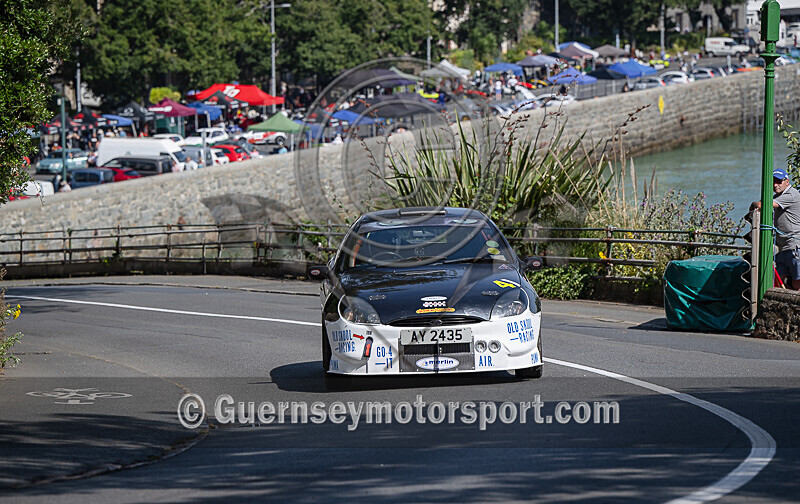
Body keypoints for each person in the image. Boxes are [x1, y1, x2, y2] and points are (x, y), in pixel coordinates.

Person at [750, 168, 800, 290]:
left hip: (795, 247)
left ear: (787, 181)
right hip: (783, 248)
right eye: (773, 182)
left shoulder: (791, 195)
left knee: (797, 284)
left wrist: (754, 205)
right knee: (779, 284)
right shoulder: (777, 197)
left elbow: (763, 205)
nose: (775, 185)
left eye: (778, 181)